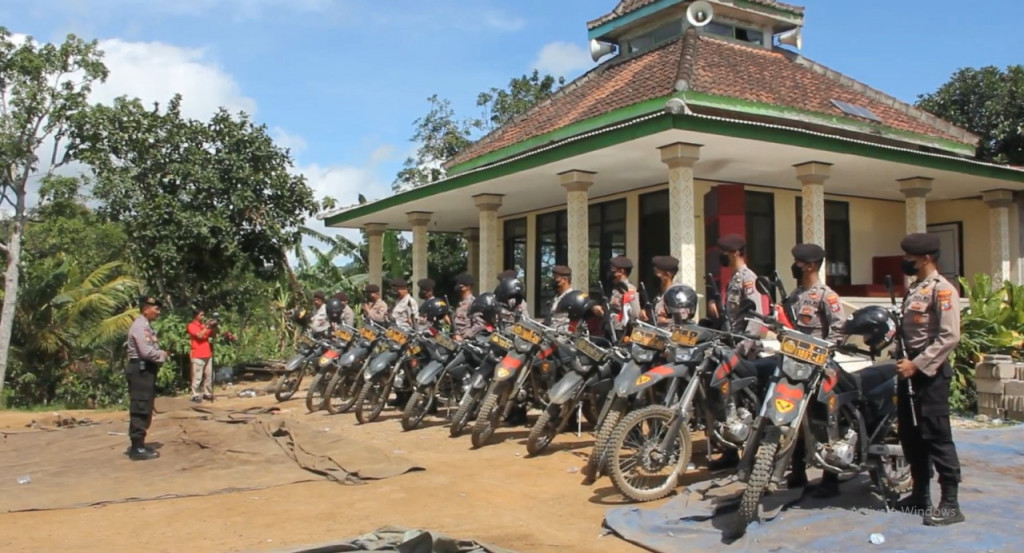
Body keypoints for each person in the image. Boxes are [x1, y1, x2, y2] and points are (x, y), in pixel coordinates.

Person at [894, 233, 964, 526]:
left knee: (937, 437)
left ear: (926, 258)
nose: (906, 261)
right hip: (907, 371)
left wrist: (918, 365)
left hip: (929, 374)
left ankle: (950, 504)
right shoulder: (915, 289)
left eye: (910, 257)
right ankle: (920, 493)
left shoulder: (943, 290)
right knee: (911, 437)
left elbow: (949, 336)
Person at [784, 243, 846, 497]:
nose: (795, 266)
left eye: (799, 262)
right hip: (794, 366)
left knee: (824, 421)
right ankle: (797, 470)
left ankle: (831, 477)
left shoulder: (825, 296)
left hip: (819, 368)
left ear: (810, 265)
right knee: (795, 421)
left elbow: (839, 328)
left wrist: (825, 351)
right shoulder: (795, 294)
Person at [124, 295, 169, 461]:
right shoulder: (140, 327)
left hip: (145, 370)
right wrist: (162, 355)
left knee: (145, 406)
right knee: (140, 406)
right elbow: (146, 352)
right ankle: (137, 447)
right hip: (140, 370)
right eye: (155, 309)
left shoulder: (146, 326)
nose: (158, 312)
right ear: (145, 309)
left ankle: (139, 443)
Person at [714, 234, 765, 344]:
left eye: (725, 252)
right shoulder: (735, 278)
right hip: (731, 338)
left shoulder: (748, 278)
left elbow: (756, 317)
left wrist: (744, 346)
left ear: (736, 253)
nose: (722, 255)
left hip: (741, 342)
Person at [601, 256, 641, 333]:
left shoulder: (629, 289)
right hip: (610, 328)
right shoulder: (614, 288)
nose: (610, 272)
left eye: (613, 269)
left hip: (621, 330)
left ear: (622, 271)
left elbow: (635, 314)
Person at [187, 308, 217, 403]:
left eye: (203, 315)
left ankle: (207, 393)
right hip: (197, 354)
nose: (203, 317)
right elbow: (199, 335)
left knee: (209, 375)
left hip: (207, 353)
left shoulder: (203, 325)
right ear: (195, 316)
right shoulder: (191, 326)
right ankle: (194, 394)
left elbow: (214, 335)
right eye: (201, 315)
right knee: (197, 376)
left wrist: (214, 326)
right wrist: (207, 327)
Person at [546, 265, 574, 333]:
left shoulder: (572, 297)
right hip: (550, 334)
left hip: (562, 336)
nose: (553, 280)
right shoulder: (556, 297)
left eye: (555, 278)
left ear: (565, 280)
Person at [452, 273, 477, 339]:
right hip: (457, 339)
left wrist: (464, 336)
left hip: (467, 341)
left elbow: (478, 324)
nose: (458, 286)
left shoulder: (473, 302)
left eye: (460, 284)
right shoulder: (460, 302)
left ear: (468, 286)